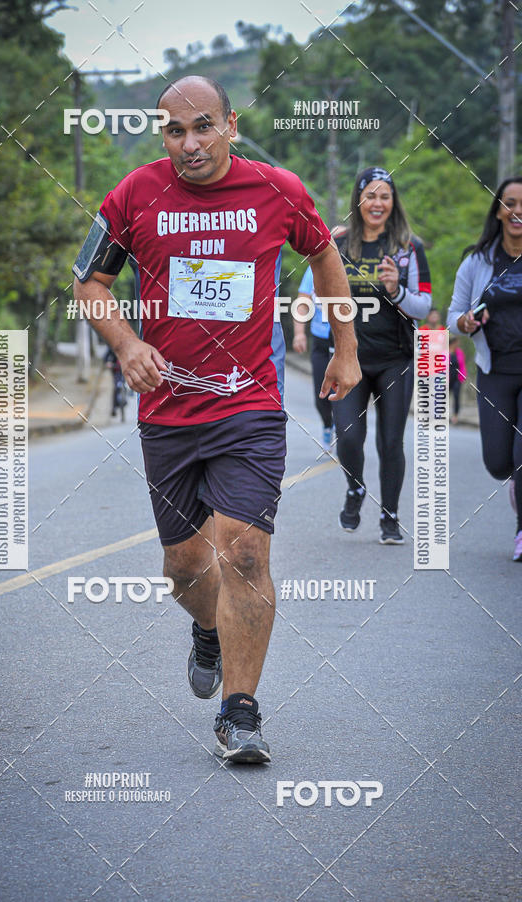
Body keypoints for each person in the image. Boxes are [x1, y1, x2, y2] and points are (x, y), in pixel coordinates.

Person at [72, 75, 361, 762]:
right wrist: (126, 341)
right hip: (168, 411)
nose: (190, 143)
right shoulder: (134, 195)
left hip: (249, 404)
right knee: (184, 567)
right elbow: (89, 281)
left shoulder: (278, 191)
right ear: (162, 135)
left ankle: (241, 713)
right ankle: (209, 629)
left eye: (203, 126)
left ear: (230, 123)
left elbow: (323, 253)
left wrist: (345, 348)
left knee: (244, 549)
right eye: (175, 130)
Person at [332, 167, 432, 543]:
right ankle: (355, 488)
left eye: (384, 196)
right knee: (348, 435)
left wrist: (395, 290)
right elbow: (323, 292)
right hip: (348, 358)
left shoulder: (409, 246)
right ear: (359, 200)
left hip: (396, 358)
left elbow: (423, 306)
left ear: (393, 202)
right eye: (370, 195)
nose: (377, 203)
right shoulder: (338, 244)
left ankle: (390, 514)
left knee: (390, 442)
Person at [447, 176, 522, 562]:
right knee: (498, 461)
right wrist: (464, 324)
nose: (518, 211)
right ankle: (515, 485)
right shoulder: (478, 261)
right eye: (510, 202)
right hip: (495, 370)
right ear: (498, 210)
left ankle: (521, 528)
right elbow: (452, 315)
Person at [292, 265, 335, 450]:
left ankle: (346, 432)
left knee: (345, 393)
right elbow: (302, 302)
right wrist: (299, 333)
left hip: (346, 342)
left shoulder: (355, 265)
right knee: (321, 396)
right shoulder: (314, 267)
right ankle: (328, 424)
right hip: (321, 339)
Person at [104, 345, 128, 420]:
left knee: (129, 384)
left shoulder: (129, 344)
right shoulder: (112, 345)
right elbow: (105, 358)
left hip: (126, 368)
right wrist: (108, 363)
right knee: (116, 387)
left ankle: (126, 398)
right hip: (116, 369)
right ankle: (114, 408)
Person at [448, 336, 466, 425]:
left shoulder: (459, 352)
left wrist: (463, 376)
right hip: (447, 379)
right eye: (456, 343)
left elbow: (462, 365)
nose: (457, 344)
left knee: (456, 396)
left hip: (457, 378)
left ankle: (455, 415)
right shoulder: (445, 352)